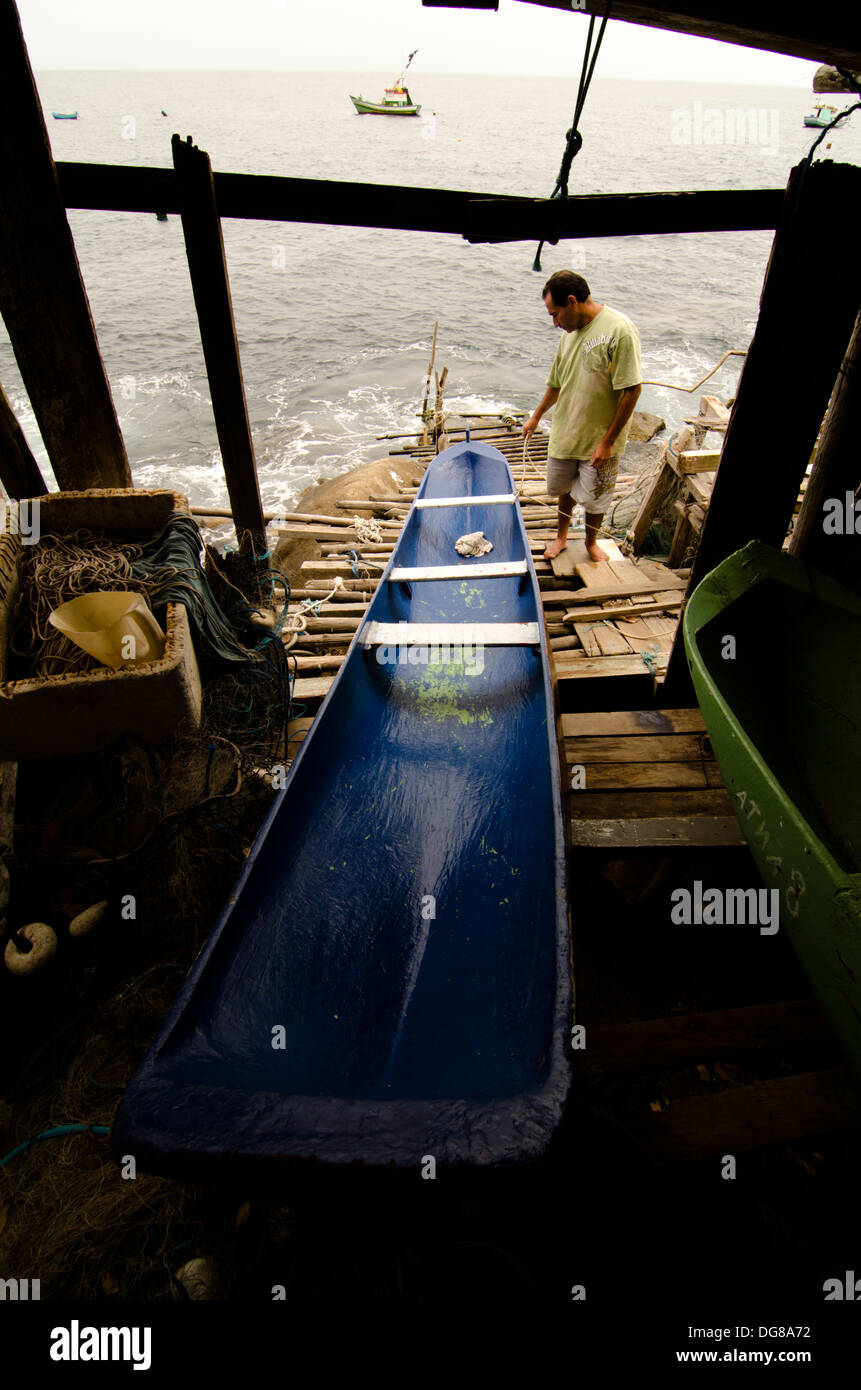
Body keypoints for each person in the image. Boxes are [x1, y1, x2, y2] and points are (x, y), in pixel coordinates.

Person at [522, 270, 642, 562]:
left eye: (556, 314)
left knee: (597, 497)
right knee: (564, 489)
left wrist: (608, 442)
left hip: (600, 438)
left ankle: (591, 543)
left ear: (572, 301)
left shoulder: (620, 330)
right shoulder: (568, 335)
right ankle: (561, 537)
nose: (554, 323)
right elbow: (556, 383)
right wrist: (536, 417)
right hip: (566, 431)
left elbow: (632, 390)